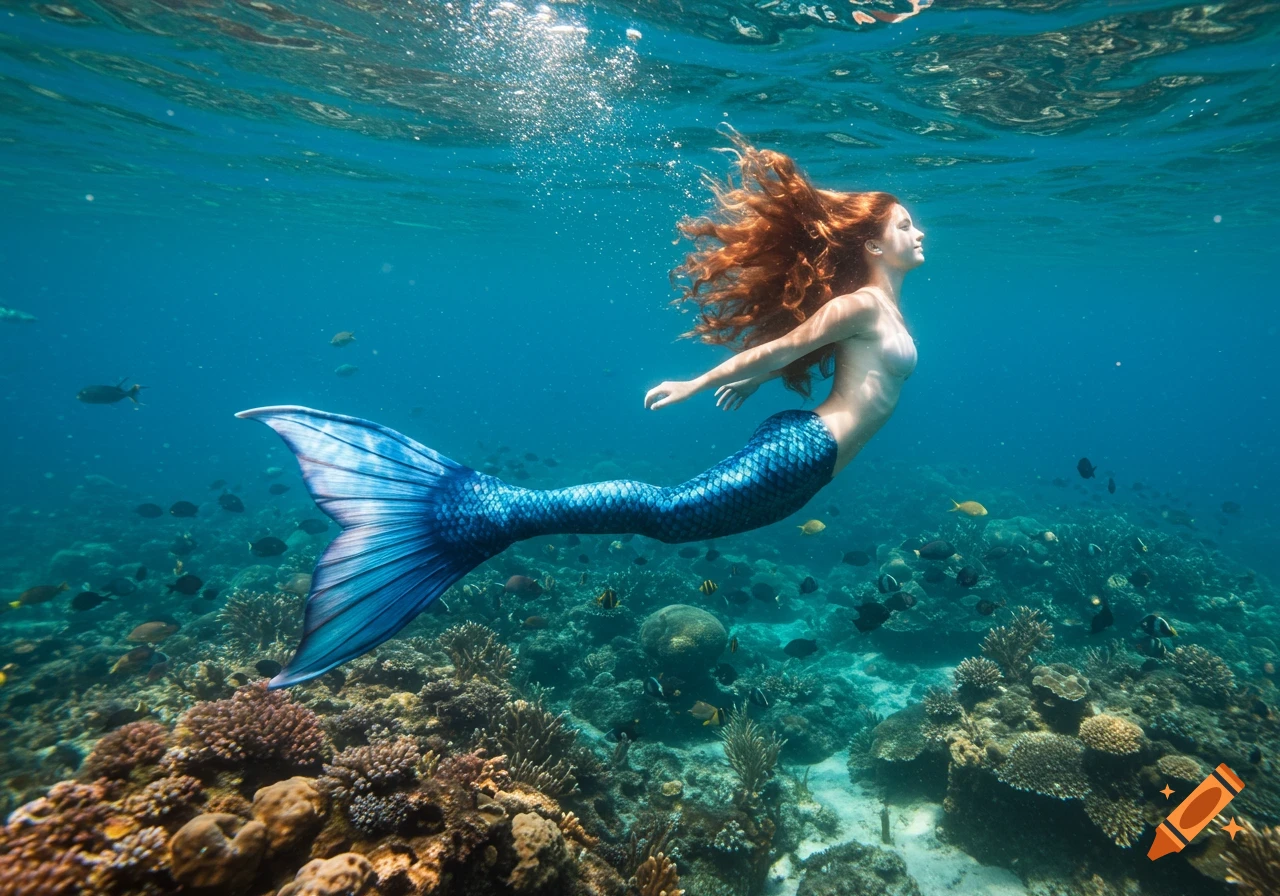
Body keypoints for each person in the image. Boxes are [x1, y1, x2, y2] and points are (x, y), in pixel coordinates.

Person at [238, 128, 924, 688]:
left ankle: (492, 512)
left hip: (810, 459)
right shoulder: (863, 304)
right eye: (903, 224)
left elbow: (796, 356)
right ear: (871, 244)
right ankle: (489, 510)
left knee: (672, 516)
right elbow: (780, 350)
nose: (918, 232)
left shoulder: (882, 308)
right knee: (668, 512)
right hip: (804, 452)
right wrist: (698, 383)